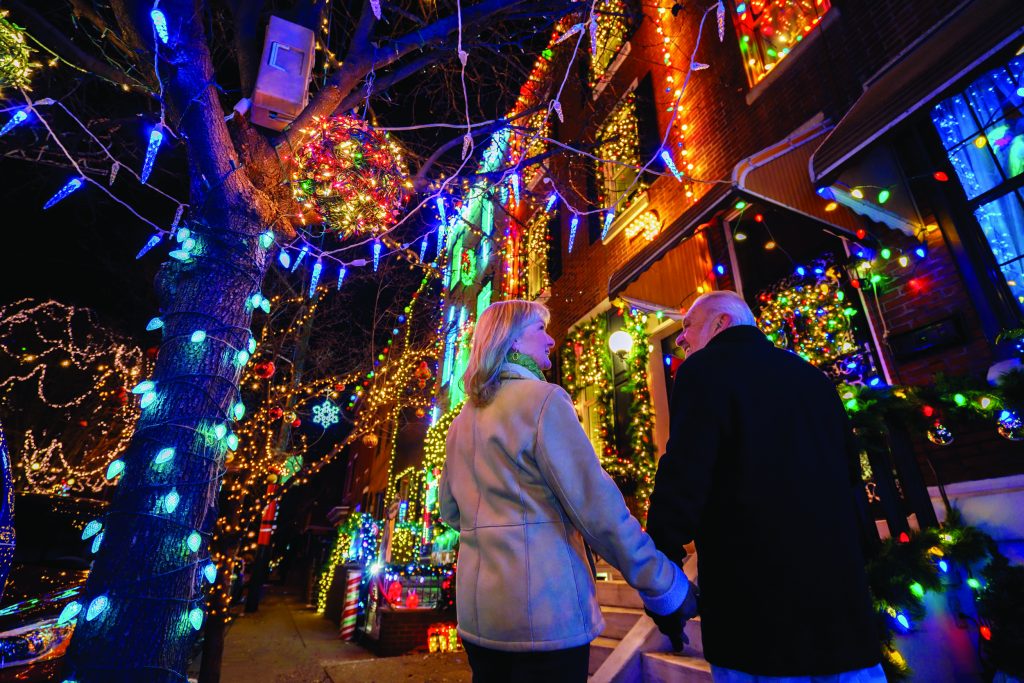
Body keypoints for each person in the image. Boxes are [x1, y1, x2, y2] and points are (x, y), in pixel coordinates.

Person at [439, 300, 697, 683]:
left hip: (481, 620)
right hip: (545, 615)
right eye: (539, 330)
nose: (551, 340)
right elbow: (598, 510)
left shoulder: (461, 422)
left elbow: (451, 512)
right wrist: (663, 584)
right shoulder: (543, 401)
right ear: (510, 341)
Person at [646, 290, 884, 682]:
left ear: (722, 323)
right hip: (843, 609)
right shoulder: (813, 377)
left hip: (758, 610)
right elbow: (851, 474)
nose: (682, 338)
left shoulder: (703, 370)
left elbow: (685, 473)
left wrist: (660, 568)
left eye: (688, 327)